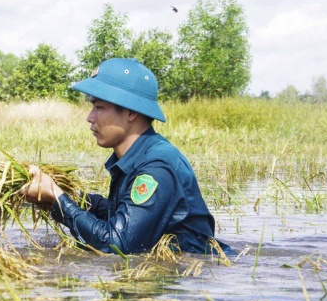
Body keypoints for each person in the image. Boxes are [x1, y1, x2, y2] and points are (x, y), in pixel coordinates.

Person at [22, 58, 231, 256]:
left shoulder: (156, 168)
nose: (90, 117)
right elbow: (120, 213)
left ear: (131, 112)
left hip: (193, 274)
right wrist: (67, 195)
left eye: (99, 107)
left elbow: (116, 246)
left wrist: (57, 196)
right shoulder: (137, 156)